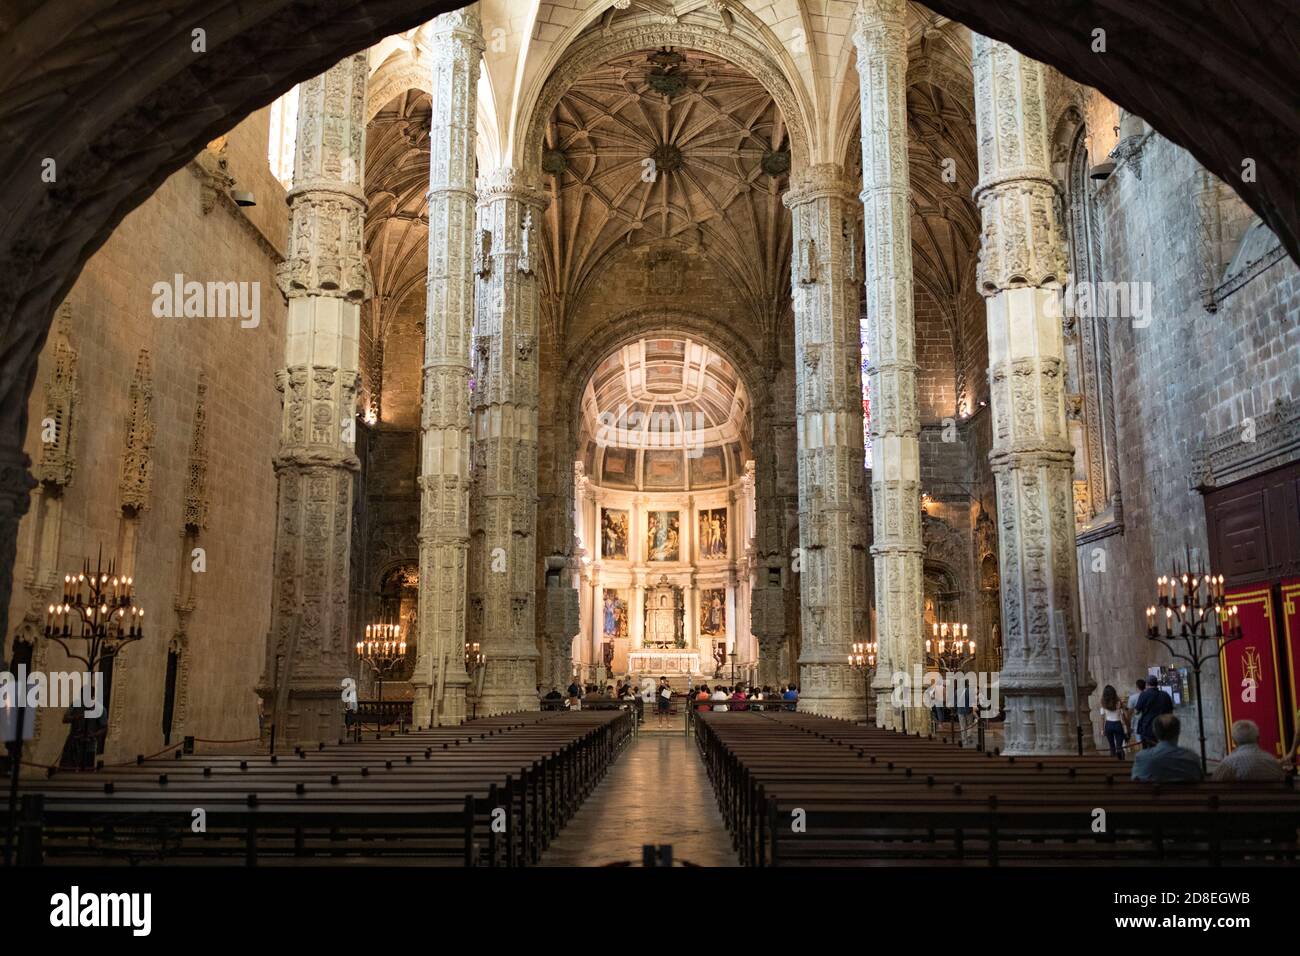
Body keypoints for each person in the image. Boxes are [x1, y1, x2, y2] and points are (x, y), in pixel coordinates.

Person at [1131, 714, 1203, 782]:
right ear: (1178, 732)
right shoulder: (1192, 758)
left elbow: (1136, 781)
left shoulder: (1142, 758)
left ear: (1155, 732)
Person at [1212, 720, 1285, 781]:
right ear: (1258, 738)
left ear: (1234, 741)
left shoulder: (1228, 763)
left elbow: (1216, 783)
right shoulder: (1272, 761)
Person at [1133, 680, 1173, 748]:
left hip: (1148, 727)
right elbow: (1170, 711)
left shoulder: (1144, 694)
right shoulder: (1165, 694)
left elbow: (1136, 711)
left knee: (1149, 748)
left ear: (1147, 685)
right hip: (1162, 725)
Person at [1099, 684, 1127, 759]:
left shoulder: (1103, 702)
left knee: (1112, 746)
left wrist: (1102, 729)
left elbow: (1102, 717)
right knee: (1119, 746)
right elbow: (1122, 714)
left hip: (1108, 725)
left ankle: (1113, 761)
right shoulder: (1118, 702)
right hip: (1117, 724)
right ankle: (1121, 761)